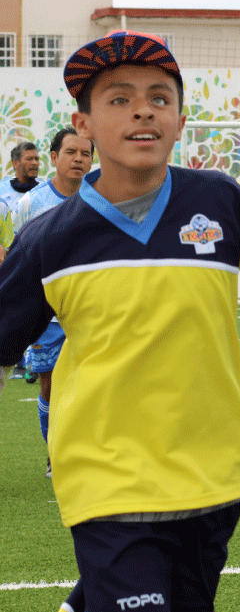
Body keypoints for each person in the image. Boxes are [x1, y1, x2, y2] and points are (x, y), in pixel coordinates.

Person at [0, 29, 240, 612]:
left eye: (160, 98)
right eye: (118, 98)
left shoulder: (223, 202)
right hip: (106, 478)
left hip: (212, 477)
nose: (143, 109)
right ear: (83, 125)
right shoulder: (49, 240)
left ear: (181, 121)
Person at [10, 126, 94, 475]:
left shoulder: (102, 197)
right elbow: (21, 253)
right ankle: (55, 455)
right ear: (55, 158)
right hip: (48, 312)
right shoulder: (32, 203)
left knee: (91, 384)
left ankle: (87, 452)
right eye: (71, 152)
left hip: (91, 310)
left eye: (86, 153)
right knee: (50, 382)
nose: (78, 159)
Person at [0, 141, 41, 210]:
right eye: (29, 159)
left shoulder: (44, 190)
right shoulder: (2, 190)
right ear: (15, 163)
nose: (35, 163)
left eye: (36, 159)